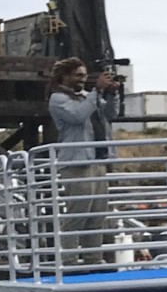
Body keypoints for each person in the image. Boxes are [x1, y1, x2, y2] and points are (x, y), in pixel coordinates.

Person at [47, 58, 121, 267]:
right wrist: (97, 91)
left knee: (97, 217)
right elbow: (77, 116)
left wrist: (113, 93)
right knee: (76, 216)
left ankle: (93, 260)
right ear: (65, 76)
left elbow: (110, 114)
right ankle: (69, 263)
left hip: (98, 161)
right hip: (76, 164)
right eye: (78, 75)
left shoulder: (88, 96)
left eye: (85, 75)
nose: (83, 79)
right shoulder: (57, 99)